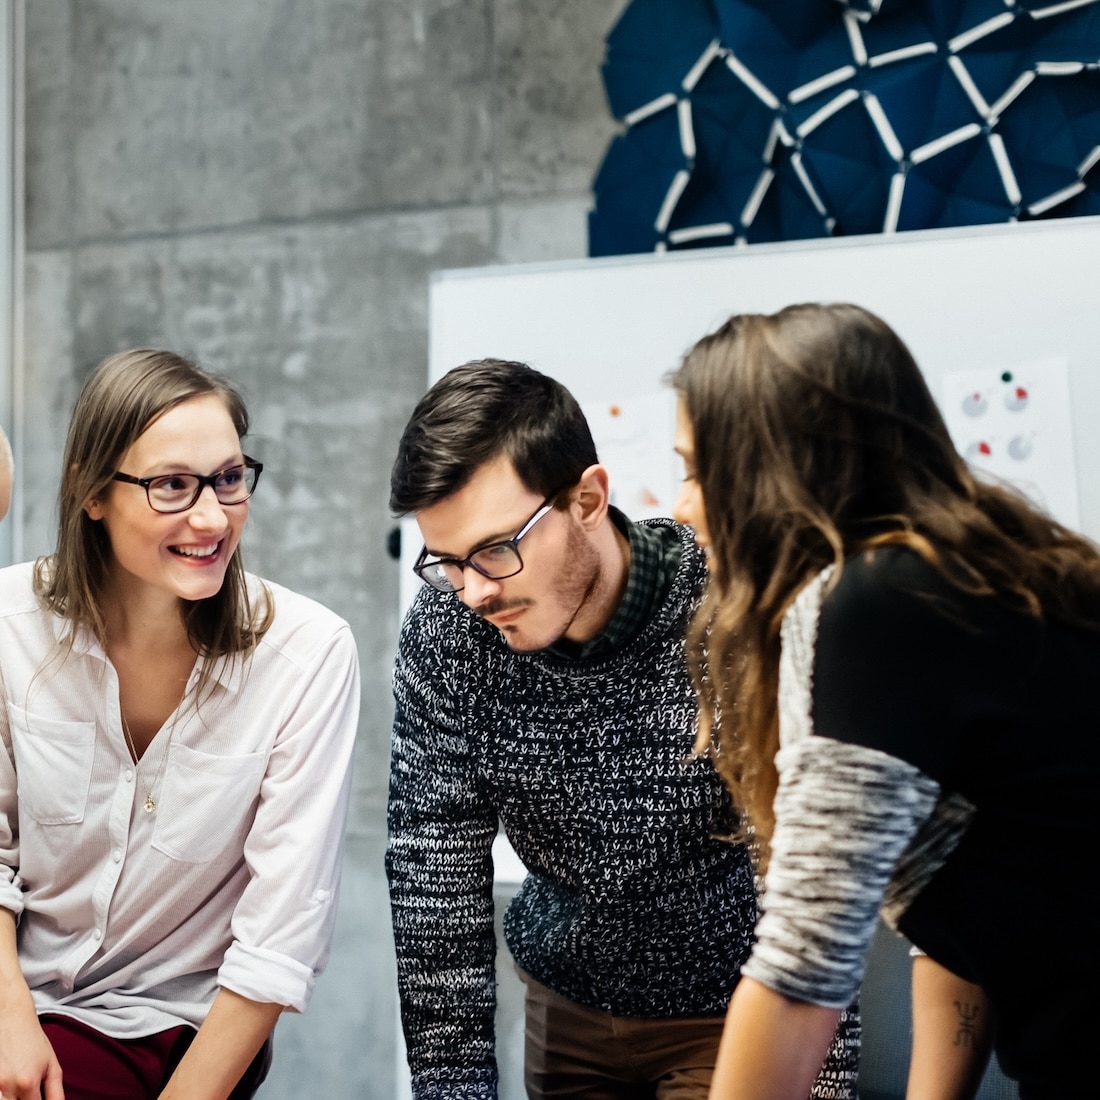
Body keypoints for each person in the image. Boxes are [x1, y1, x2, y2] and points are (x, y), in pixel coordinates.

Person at [386, 358, 858, 1100]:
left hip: (732, 1014)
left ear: (586, 499)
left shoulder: (727, 605)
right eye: (446, 561)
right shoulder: (447, 632)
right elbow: (433, 872)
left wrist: (821, 1084)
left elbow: (807, 872)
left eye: (494, 550)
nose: (473, 590)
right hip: (566, 1006)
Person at [670, 302, 1099, 1100]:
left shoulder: (871, 604)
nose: (681, 504)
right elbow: (979, 883)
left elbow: (800, 972)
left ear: (768, 468)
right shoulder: (967, 575)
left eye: (696, 470)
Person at [0, 349, 360, 1100]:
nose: (211, 517)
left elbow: (279, 935)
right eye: (171, 485)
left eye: (229, 479)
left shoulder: (306, 654)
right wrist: (12, 1022)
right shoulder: (10, 623)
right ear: (91, 492)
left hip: (172, 1025)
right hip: (17, 998)